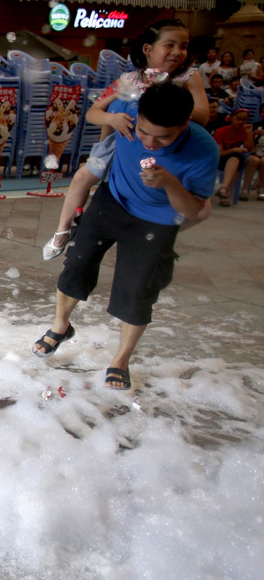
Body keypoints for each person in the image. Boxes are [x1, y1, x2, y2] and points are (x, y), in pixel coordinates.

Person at [32, 83, 218, 390]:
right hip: (112, 200)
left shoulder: (203, 149)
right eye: (144, 132)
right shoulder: (129, 112)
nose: (150, 142)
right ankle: (60, 325)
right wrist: (110, 118)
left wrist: (170, 183)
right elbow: (94, 113)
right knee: (76, 263)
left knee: (137, 289)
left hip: (157, 219)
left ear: (185, 125)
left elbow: (194, 210)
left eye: (164, 137)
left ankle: (120, 360)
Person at [42, 19, 209, 261]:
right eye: (169, 45)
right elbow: (93, 113)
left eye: (183, 46)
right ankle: (62, 231)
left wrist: (168, 105)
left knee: (200, 208)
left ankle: (158, 234)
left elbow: (203, 116)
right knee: (80, 178)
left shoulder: (188, 78)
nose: (177, 52)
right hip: (121, 144)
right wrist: (113, 118)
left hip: (164, 149)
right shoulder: (129, 80)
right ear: (148, 49)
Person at [212, 108, 254, 204]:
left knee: (237, 158)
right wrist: (233, 150)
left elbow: (250, 149)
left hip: (237, 161)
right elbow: (218, 153)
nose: (241, 122)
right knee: (236, 155)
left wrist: (249, 133)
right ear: (231, 118)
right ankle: (225, 191)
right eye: (238, 119)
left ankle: (224, 190)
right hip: (220, 160)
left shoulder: (244, 131)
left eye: (244, 120)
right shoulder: (221, 132)